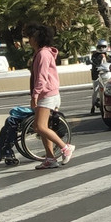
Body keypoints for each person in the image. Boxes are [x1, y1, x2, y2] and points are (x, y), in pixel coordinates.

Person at [25, 23, 75, 169]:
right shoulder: (41, 53)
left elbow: (41, 78)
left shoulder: (43, 54)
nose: (29, 40)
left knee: (39, 126)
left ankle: (65, 147)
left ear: (39, 38)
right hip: (47, 94)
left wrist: (35, 95)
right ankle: (50, 158)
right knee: (43, 127)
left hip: (46, 94)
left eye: (32, 36)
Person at [89, 38, 111, 115]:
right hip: (97, 75)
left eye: (103, 47)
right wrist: (100, 57)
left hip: (107, 74)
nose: (102, 48)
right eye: (100, 47)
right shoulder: (95, 55)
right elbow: (95, 62)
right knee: (95, 90)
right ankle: (92, 106)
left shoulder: (108, 54)